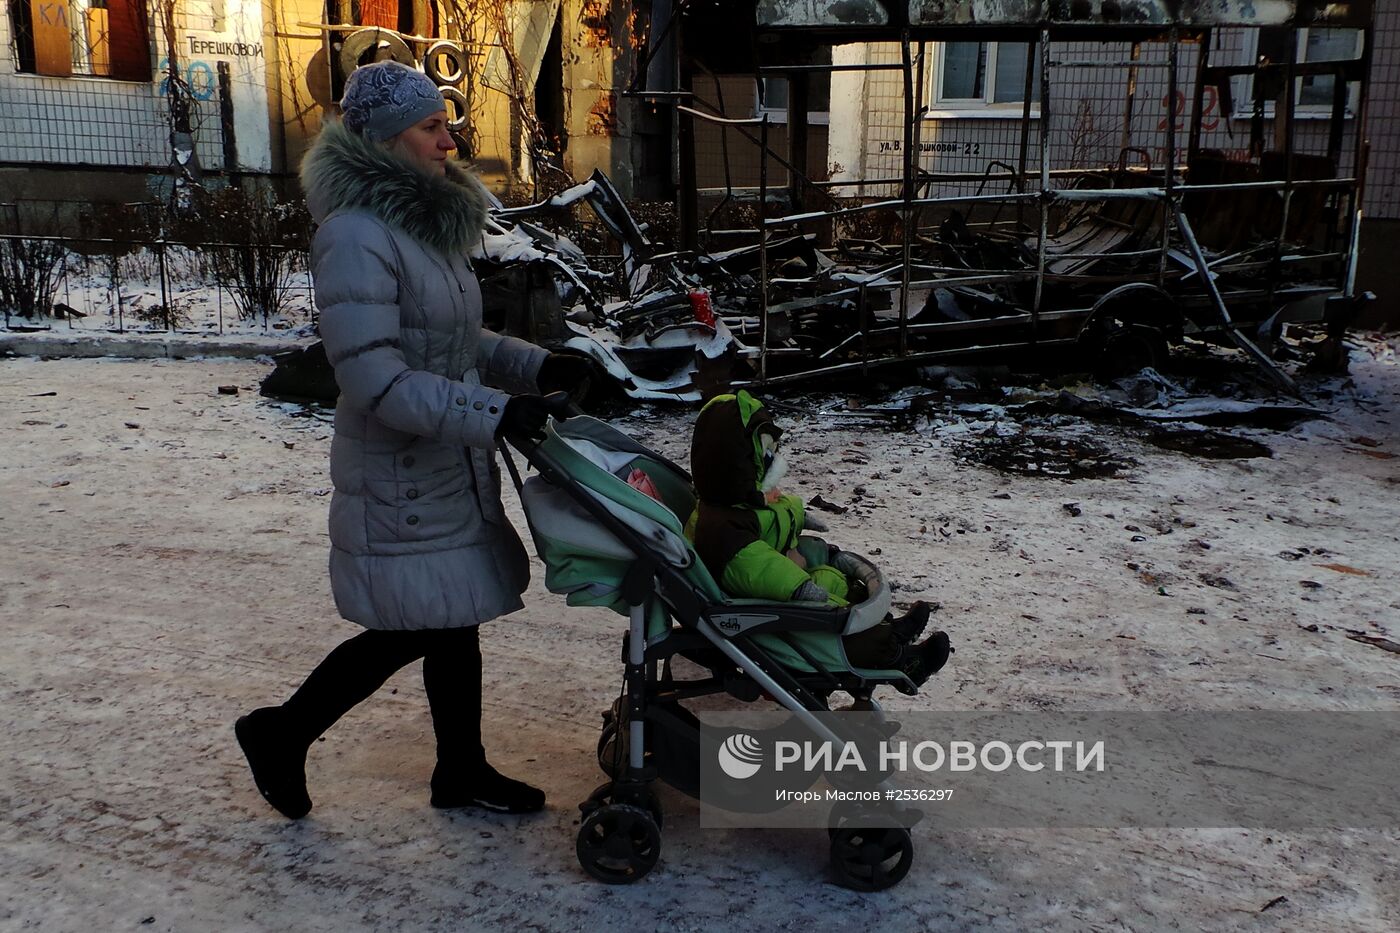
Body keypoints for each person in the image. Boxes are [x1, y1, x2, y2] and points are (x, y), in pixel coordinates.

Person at [235, 61, 592, 820]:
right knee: (414, 626)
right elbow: (378, 381)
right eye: (431, 126)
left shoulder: (419, 226)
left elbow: (455, 338)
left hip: (442, 459)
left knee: (450, 622)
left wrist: (536, 364)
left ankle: (459, 768)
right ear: (389, 139)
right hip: (400, 468)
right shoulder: (356, 237)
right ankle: (282, 731)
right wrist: (492, 413)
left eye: (443, 123)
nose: (447, 138)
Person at [687, 391, 952, 690]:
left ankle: (892, 630)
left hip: (781, 589)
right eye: (765, 458)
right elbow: (753, 566)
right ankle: (901, 660)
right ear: (737, 465)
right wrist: (798, 586)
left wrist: (798, 517)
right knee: (842, 625)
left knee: (842, 584)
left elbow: (772, 516)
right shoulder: (722, 529)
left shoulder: (734, 504)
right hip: (772, 608)